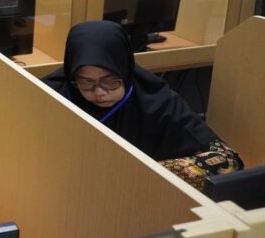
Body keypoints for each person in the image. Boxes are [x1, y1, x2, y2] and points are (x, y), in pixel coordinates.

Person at [43, 21, 243, 190]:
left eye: (110, 80)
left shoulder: (158, 101)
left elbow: (228, 160)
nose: (99, 92)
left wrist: (139, 175)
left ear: (125, 69)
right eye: (86, 82)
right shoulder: (48, 96)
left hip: (142, 199)